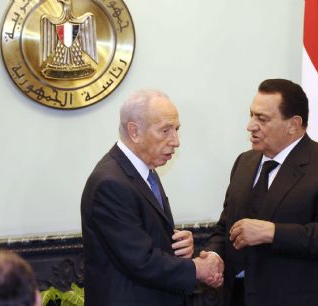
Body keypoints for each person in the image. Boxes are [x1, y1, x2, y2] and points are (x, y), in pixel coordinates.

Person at [204, 79, 318, 306]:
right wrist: (214, 255)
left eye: (262, 119)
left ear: (293, 124)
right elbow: (227, 225)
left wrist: (273, 232)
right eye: (251, 115)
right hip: (239, 297)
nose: (250, 126)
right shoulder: (244, 163)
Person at [81, 89, 223, 306]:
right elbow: (140, 261)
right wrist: (197, 269)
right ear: (134, 131)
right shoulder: (110, 183)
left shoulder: (144, 170)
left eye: (176, 130)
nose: (175, 141)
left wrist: (177, 244)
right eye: (165, 131)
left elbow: (144, 234)